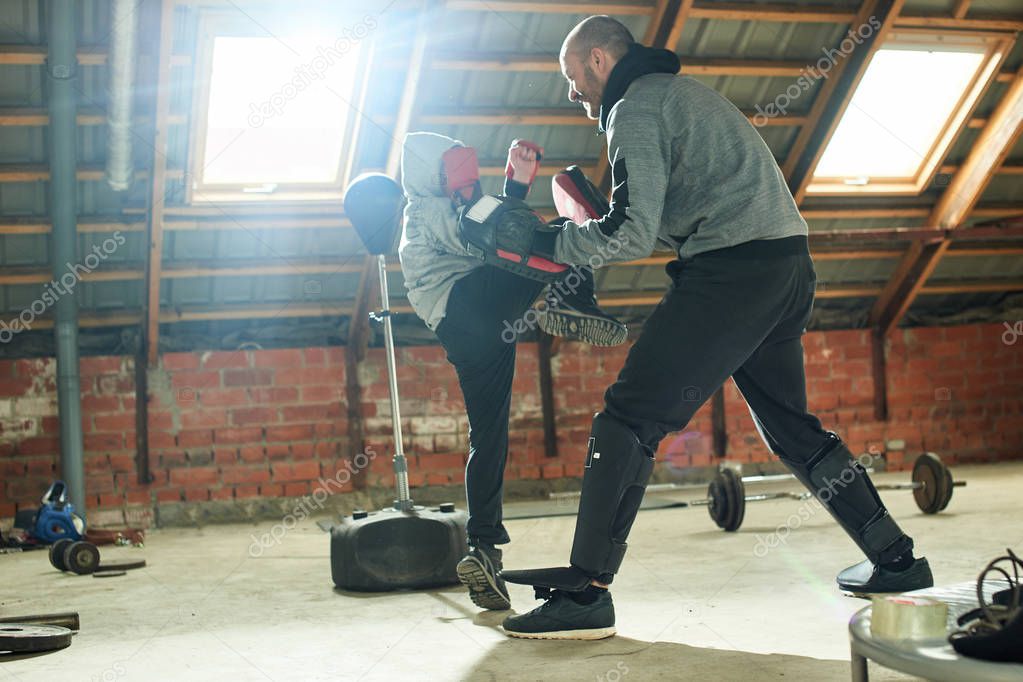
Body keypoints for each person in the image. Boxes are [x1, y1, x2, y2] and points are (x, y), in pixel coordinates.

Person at [498, 15, 934, 640]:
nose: (574, 95)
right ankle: (897, 559)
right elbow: (652, 213)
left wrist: (548, 240)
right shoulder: (683, 93)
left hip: (732, 274)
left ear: (599, 60)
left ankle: (585, 593)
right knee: (791, 427)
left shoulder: (635, 108)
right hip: (786, 265)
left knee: (627, 416)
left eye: (574, 78)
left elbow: (631, 231)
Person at [398, 131, 628, 611]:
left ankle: (484, 551)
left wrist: (515, 185)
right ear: (433, 174)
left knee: (488, 435)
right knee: (547, 241)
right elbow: (485, 236)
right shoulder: (424, 209)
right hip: (467, 305)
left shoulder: (450, 207)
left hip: (475, 333)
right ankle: (575, 297)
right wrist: (532, 207)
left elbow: (489, 227)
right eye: (452, 168)